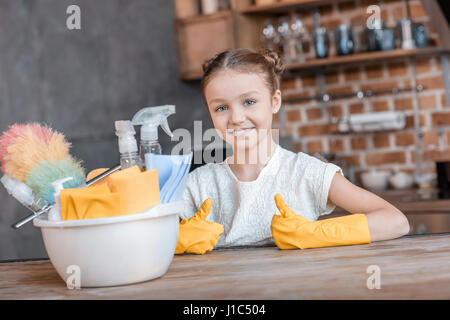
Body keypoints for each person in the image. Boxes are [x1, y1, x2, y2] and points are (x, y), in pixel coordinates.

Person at [175, 48, 410, 254]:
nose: (236, 118)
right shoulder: (197, 186)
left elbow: (396, 221)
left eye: (249, 102)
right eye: (222, 107)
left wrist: (315, 233)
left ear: (275, 101)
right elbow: (142, 242)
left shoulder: (306, 173)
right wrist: (175, 240)